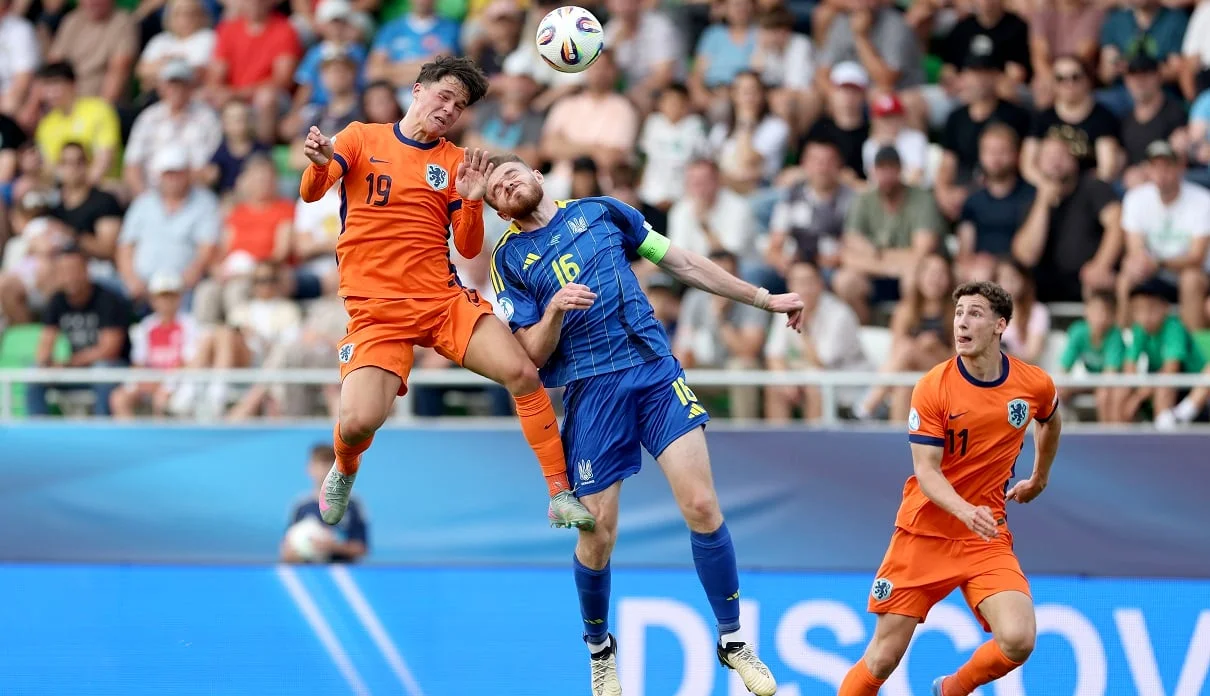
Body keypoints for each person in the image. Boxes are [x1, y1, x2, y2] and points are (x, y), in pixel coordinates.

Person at [483, 152, 800, 696]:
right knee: (597, 534)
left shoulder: (602, 211)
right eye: (496, 188)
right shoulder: (510, 260)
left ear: (539, 175)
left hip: (653, 370)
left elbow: (683, 263)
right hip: (591, 390)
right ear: (496, 207)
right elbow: (527, 355)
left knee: (701, 505)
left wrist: (762, 297)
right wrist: (554, 309)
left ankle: (733, 641)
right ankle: (600, 649)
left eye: (513, 174)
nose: (508, 184)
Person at [299, 55, 594, 531]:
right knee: (358, 422)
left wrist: (474, 200)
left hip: (441, 302)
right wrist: (316, 164)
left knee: (522, 370)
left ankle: (559, 492)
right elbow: (314, 191)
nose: (449, 109)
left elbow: (469, 245)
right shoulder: (360, 137)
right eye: (444, 96)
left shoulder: (456, 162)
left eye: (458, 106)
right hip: (376, 313)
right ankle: (345, 467)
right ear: (417, 90)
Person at [837, 280, 1063, 696]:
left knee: (1019, 639)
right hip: (925, 532)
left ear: (1000, 325)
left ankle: (953, 689)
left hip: (984, 537)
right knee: (883, 657)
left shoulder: (1032, 384)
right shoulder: (933, 387)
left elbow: (1049, 417)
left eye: (974, 313)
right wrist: (963, 510)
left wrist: (1040, 477)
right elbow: (926, 472)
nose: (962, 321)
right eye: (958, 312)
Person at [281, 444, 369, 564]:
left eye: (329, 465)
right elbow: (286, 549)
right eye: (319, 464)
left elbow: (362, 548)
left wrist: (333, 547)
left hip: (342, 573)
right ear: (309, 468)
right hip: (308, 573)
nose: (323, 471)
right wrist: (293, 553)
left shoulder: (352, 504)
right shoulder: (301, 506)